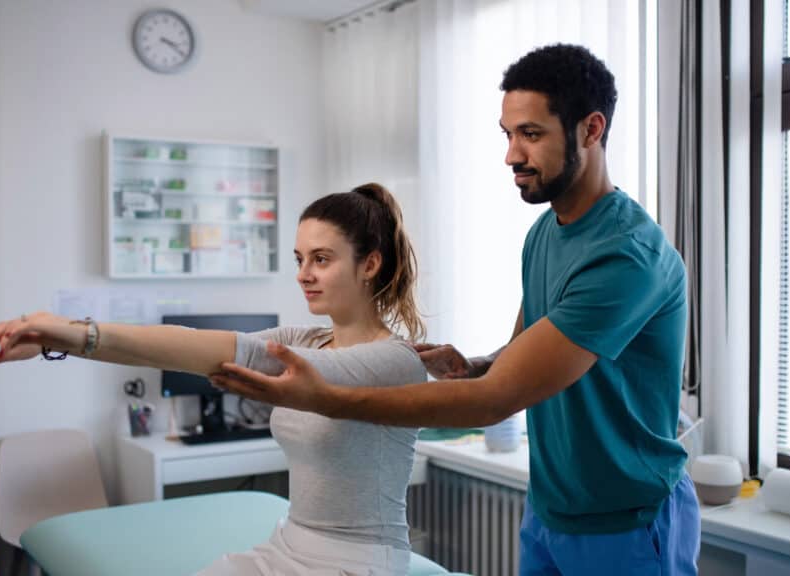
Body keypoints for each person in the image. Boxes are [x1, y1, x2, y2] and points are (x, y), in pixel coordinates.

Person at [212, 44, 701, 575]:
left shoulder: (626, 256)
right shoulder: (545, 233)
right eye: (508, 134)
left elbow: (494, 402)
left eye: (531, 135)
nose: (512, 155)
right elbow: (523, 349)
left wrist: (324, 398)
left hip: (625, 521)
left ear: (591, 129)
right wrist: (476, 365)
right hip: (552, 510)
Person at [0, 183, 428, 576]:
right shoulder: (306, 340)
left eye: (321, 259)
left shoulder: (394, 362)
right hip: (288, 545)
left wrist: (64, 330)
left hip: (358, 563)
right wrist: (52, 337)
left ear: (369, 264)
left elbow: (218, 354)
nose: (303, 275)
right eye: (299, 259)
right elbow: (185, 342)